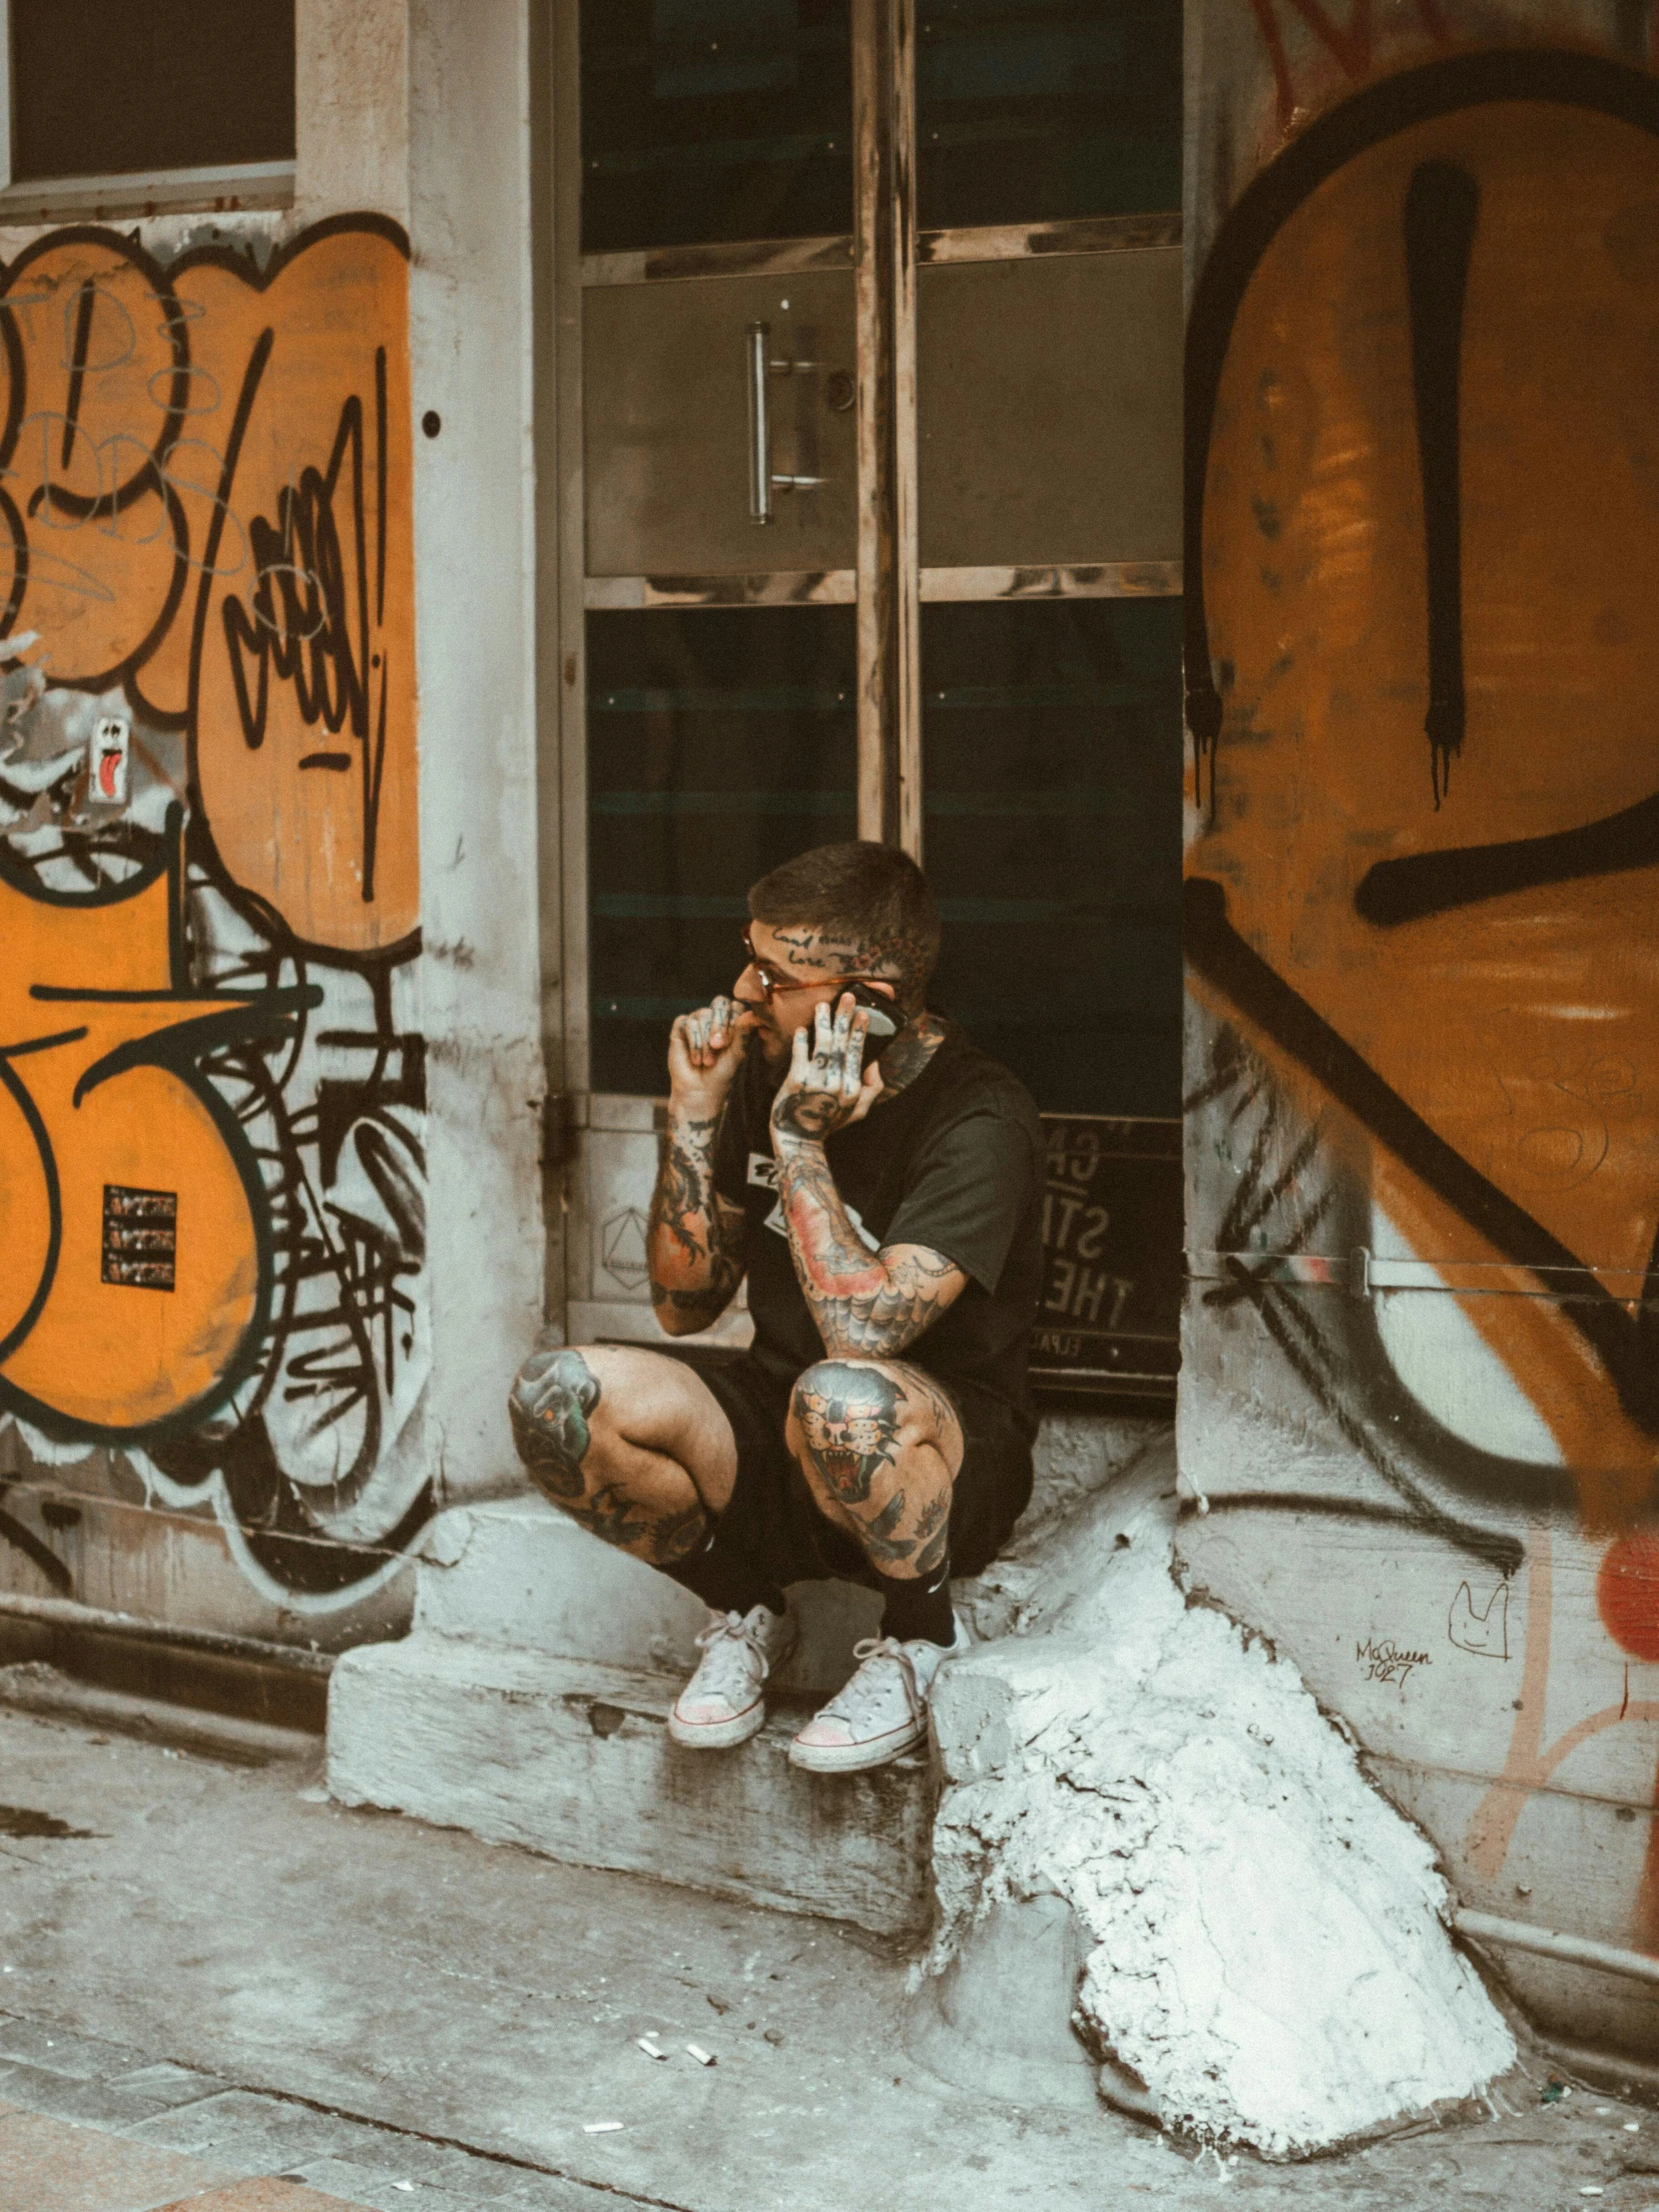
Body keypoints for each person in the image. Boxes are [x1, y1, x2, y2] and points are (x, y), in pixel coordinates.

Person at [508, 841, 1043, 1774]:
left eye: (777, 974)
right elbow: (682, 1305)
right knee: (556, 1397)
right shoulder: (763, 1072)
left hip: (930, 1450)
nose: (743, 991)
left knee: (844, 1396)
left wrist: (800, 1144)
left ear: (864, 1001)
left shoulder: (978, 1114)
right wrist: (696, 1114)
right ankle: (746, 1608)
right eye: (747, 958)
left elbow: (863, 1336)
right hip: (781, 1412)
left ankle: (920, 1640)